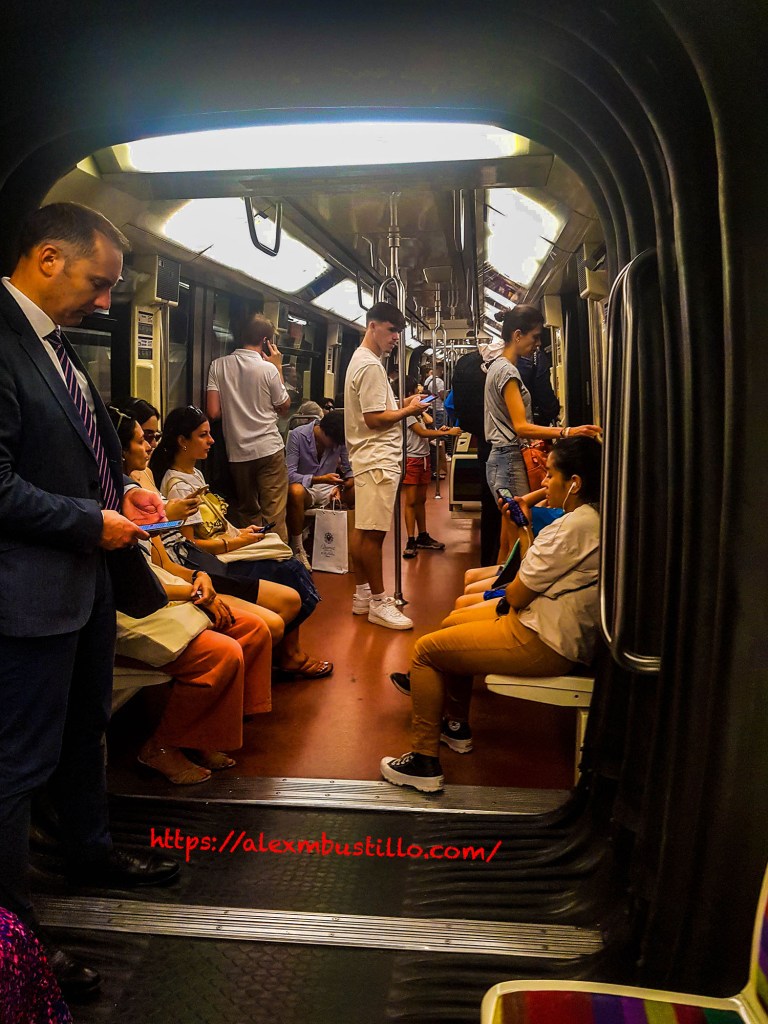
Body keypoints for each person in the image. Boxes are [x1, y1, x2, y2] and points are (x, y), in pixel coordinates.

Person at [0, 202, 178, 998]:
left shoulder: (54, 345)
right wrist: (87, 519)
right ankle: (16, 947)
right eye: (97, 282)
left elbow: (69, 454)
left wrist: (123, 500)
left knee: (84, 730)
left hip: (83, 582)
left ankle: (89, 849)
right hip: (26, 593)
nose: (107, 301)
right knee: (16, 767)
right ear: (45, 257)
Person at [380, 437, 602, 793]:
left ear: (574, 483)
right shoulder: (590, 518)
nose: (542, 481)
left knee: (424, 653)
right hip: (550, 623)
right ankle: (455, 727)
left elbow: (516, 593)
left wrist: (525, 531)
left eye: (549, 475)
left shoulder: (571, 528)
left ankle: (424, 763)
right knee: (453, 626)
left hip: (542, 638)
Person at [151, 406, 331, 680]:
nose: (211, 441)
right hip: (215, 561)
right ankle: (288, 654)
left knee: (288, 563)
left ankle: (284, 651)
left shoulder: (195, 475)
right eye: (203, 436)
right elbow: (192, 546)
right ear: (182, 441)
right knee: (289, 571)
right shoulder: (178, 487)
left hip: (225, 547)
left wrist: (240, 533)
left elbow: (216, 525)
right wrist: (235, 543)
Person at [484, 305, 601, 562]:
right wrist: (568, 431)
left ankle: (500, 589)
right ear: (517, 335)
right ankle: (510, 593)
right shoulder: (508, 372)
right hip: (509, 460)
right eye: (534, 337)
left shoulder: (496, 366)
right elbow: (521, 427)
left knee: (509, 534)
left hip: (502, 460)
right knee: (519, 532)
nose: (537, 344)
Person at [343, 302, 428, 630]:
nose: (395, 338)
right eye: (391, 330)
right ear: (372, 325)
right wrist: (408, 412)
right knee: (373, 535)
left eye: (398, 332)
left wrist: (400, 404)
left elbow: (378, 408)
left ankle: (362, 595)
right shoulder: (371, 367)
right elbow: (375, 419)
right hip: (378, 458)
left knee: (362, 529)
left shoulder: (359, 360)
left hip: (367, 457)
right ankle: (380, 601)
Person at [206, 313, 291, 539]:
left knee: (248, 511)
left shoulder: (218, 366)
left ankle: (256, 559)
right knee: (274, 512)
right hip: (268, 449)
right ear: (265, 341)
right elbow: (284, 406)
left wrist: (236, 404)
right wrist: (278, 367)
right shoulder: (268, 369)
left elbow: (213, 412)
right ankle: (278, 563)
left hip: (238, 452)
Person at [451, 341, 502, 566]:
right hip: (503, 444)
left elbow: (451, 404)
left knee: (489, 502)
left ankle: (489, 561)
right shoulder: (506, 369)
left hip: (482, 438)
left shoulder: (471, 368)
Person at [401, 377, 461, 559]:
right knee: (411, 501)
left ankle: (422, 535)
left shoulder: (418, 414)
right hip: (412, 460)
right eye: (418, 393)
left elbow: (427, 431)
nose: (421, 397)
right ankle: (410, 539)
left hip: (424, 458)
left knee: (420, 501)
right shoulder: (407, 414)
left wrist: (438, 429)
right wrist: (448, 432)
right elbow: (422, 433)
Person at [286, 410, 354, 567]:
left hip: (330, 487)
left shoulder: (338, 441)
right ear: (324, 432)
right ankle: (298, 548)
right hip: (305, 487)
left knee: (357, 489)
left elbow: (348, 469)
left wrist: (343, 485)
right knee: (294, 491)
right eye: (334, 443)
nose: (336, 446)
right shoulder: (297, 435)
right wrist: (319, 479)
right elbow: (290, 475)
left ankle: (349, 542)